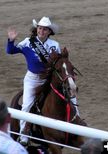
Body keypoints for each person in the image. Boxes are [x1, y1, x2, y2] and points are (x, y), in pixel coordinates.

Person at [6, 16, 65, 145]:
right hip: (32, 80)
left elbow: (59, 64)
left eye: (44, 29)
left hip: (48, 79)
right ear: (36, 29)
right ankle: (24, 135)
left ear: (49, 32)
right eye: (39, 28)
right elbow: (10, 51)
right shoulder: (28, 42)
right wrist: (11, 40)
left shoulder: (55, 45)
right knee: (26, 105)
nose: (41, 31)